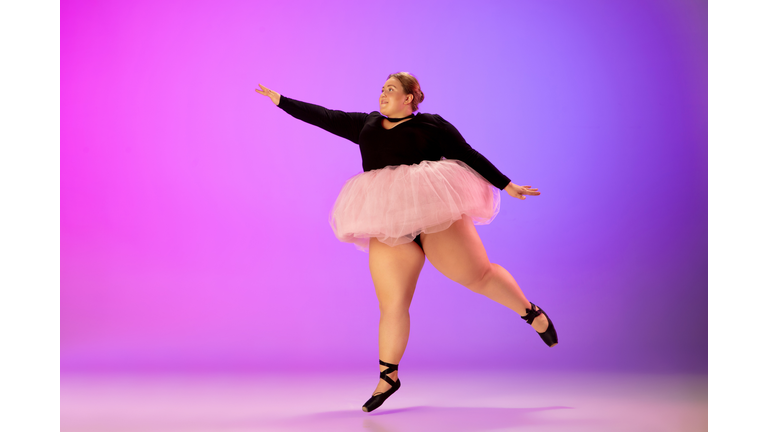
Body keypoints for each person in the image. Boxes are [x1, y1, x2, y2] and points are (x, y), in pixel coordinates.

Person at [255, 72, 557, 413]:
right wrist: (281, 100)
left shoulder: (432, 125)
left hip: (434, 211)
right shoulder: (366, 125)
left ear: (410, 97)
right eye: (381, 89)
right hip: (389, 221)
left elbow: (468, 154)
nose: (382, 95)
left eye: (391, 90)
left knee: (477, 276)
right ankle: (389, 376)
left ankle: (530, 312)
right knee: (392, 303)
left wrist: (506, 184)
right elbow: (325, 117)